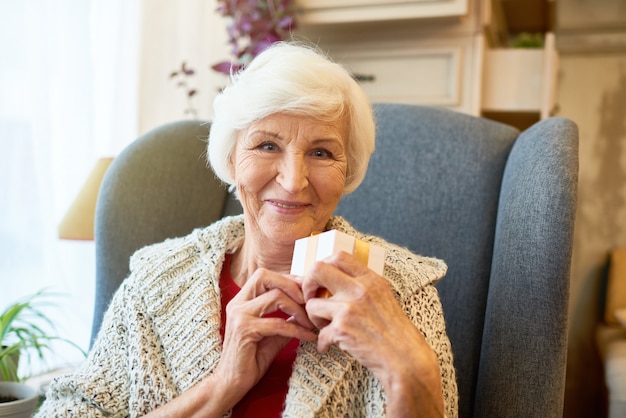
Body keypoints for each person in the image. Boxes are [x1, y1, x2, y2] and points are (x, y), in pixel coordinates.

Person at [37, 41, 458, 417]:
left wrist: (410, 371)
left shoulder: (402, 291)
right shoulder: (156, 281)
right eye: (267, 145)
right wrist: (221, 386)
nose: (294, 180)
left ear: (348, 170)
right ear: (232, 159)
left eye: (321, 151)